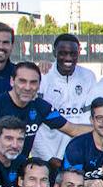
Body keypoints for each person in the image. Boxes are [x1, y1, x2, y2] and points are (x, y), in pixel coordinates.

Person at [0, 62, 90, 162]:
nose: (28, 87)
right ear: (12, 81)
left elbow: (72, 129)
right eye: (22, 81)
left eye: (33, 82)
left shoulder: (40, 106)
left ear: (39, 85)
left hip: (20, 168)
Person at [33, 34, 97, 166]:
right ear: (54, 52)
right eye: (63, 53)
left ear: (79, 53)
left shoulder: (88, 76)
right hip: (47, 156)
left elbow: (89, 117)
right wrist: (48, 157)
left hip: (77, 154)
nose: (68, 58)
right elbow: (35, 122)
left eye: (73, 53)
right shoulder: (43, 76)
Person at [59, 97, 103, 183]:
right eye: (100, 118)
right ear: (92, 120)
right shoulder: (77, 146)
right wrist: (88, 184)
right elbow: (69, 182)